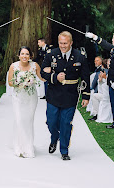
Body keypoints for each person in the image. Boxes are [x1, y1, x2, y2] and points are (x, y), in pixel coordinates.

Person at [42, 31, 90, 160]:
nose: (63, 46)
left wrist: (86, 96)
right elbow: (43, 72)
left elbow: (85, 77)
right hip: (54, 94)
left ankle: (64, 150)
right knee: (51, 122)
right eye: (61, 43)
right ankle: (54, 138)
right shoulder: (51, 55)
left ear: (71, 43)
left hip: (70, 95)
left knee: (65, 123)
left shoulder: (80, 56)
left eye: (65, 43)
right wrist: (55, 77)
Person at [86, 31, 114, 129]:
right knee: (113, 102)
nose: (112, 40)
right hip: (111, 81)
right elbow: (105, 44)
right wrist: (94, 36)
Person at [8, 46, 45, 158]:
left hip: (31, 97)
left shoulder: (35, 66)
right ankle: (19, 146)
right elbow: (10, 82)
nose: (24, 56)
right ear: (19, 55)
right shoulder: (13, 66)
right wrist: (19, 83)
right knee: (19, 120)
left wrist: (52, 73)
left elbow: (42, 78)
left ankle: (28, 146)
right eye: (22, 54)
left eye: (27, 54)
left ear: (30, 56)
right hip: (18, 97)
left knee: (28, 121)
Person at [89, 56, 104, 121]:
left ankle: (96, 114)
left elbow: (95, 81)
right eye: (95, 61)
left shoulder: (100, 70)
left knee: (94, 96)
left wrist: (91, 87)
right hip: (100, 89)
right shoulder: (97, 69)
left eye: (97, 60)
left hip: (99, 90)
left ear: (101, 61)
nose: (95, 62)